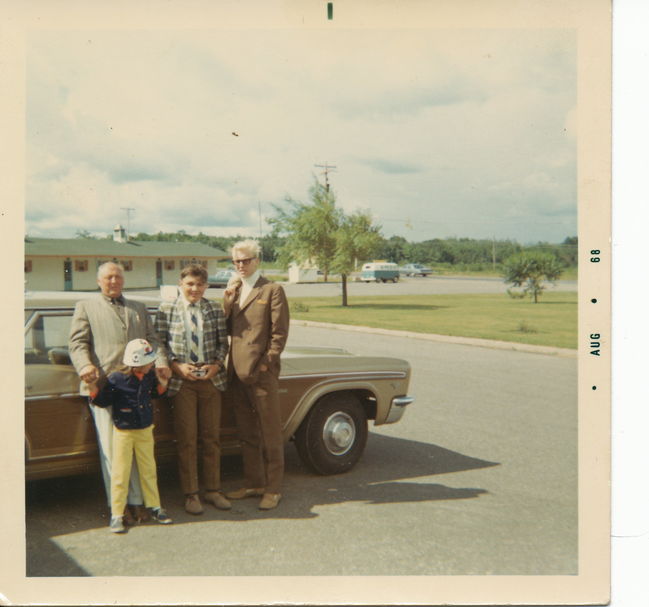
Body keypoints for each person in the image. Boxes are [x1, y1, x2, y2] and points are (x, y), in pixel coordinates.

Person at [69, 262, 171, 525]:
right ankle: (120, 505)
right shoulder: (86, 307)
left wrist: (160, 362)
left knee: (139, 451)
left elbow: (154, 339)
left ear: (123, 279)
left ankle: (138, 503)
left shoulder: (137, 308)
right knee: (112, 452)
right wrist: (85, 366)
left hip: (137, 387)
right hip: (104, 387)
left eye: (117, 276)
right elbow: (77, 343)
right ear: (98, 281)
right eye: (108, 277)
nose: (113, 281)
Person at [154, 264, 230, 515]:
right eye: (190, 284)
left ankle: (213, 490)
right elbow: (159, 344)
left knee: (211, 438)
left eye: (199, 284)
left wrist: (216, 365)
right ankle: (191, 494)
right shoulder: (167, 309)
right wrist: (176, 367)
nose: (194, 289)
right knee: (187, 439)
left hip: (210, 380)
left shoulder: (213, 309)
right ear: (180, 284)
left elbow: (223, 343)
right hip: (182, 381)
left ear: (206, 286)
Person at [223, 240, 290, 510]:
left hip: (261, 374)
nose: (240, 265)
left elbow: (279, 334)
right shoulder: (234, 289)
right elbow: (227, 328)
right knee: (247, 432)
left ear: (256, 261)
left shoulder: (272, 289)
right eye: (236, 261)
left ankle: (273, 489)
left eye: (245, 260)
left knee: (270, 432)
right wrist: (227, 301)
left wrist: (266, 364)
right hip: (236, 373)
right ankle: (254, 483)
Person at [87, 339, 173, 533]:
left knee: (148, 469)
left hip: (145, 430)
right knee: (120, 472)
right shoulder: (117, 379)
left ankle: (155, 506)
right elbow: (101, 401)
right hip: (123, 432)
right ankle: (116, 514)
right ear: (137, 362)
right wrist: (92, 387)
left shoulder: (150, 376)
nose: (152, 364)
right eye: (150, 361)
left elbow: (155, 394)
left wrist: (164, 383)